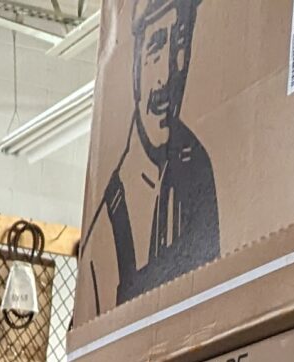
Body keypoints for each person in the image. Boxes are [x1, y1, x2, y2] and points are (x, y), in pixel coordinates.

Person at [82, 0, 220, 315]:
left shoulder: (200, 170)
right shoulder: (107, 228)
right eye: (157, 47)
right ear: (134, 65)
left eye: (181, 43)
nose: (166, 76)